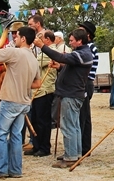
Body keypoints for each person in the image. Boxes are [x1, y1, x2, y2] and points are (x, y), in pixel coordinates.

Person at [0, 26, 42, 178]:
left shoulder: (14, 52)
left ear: (23, 39)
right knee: (16, 135)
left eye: (16, 36)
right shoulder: (34, 59)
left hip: (10, 100)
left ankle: (0, 169)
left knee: (1, 134)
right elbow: (37, 84)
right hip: (24, 102)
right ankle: (16, 170)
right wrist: (22, 82)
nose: (14, 38)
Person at [38, 29, 94, 168]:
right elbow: (68, 65)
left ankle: (70, 157)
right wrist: (59, 67)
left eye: (72, 40)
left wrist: (42, 46)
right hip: (72, 94)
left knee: (69, 126)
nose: (70, 42)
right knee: (74, 126)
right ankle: (75, 153)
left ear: (80, 41)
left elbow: (62, 57)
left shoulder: (82, 54)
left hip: (71, 94)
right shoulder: (81, 54)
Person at [25, 31, 59, 157]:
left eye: (41, 38)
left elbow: (36, 64)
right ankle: (37, 145)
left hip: (45, 90)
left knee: (43, 121)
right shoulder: (44, 51)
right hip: (38, 91)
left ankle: (45, 147)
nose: (37, 41)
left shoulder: (51, 51)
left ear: (48, 40)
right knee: (35, 119)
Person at [77, 21, 98, 156]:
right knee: (84, 116)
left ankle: (82, 148)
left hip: (85, 82)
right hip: (86, 82)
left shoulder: (88, 48)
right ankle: (85, 146)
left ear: (87, 34)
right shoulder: (88, 47)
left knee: (82, 117)